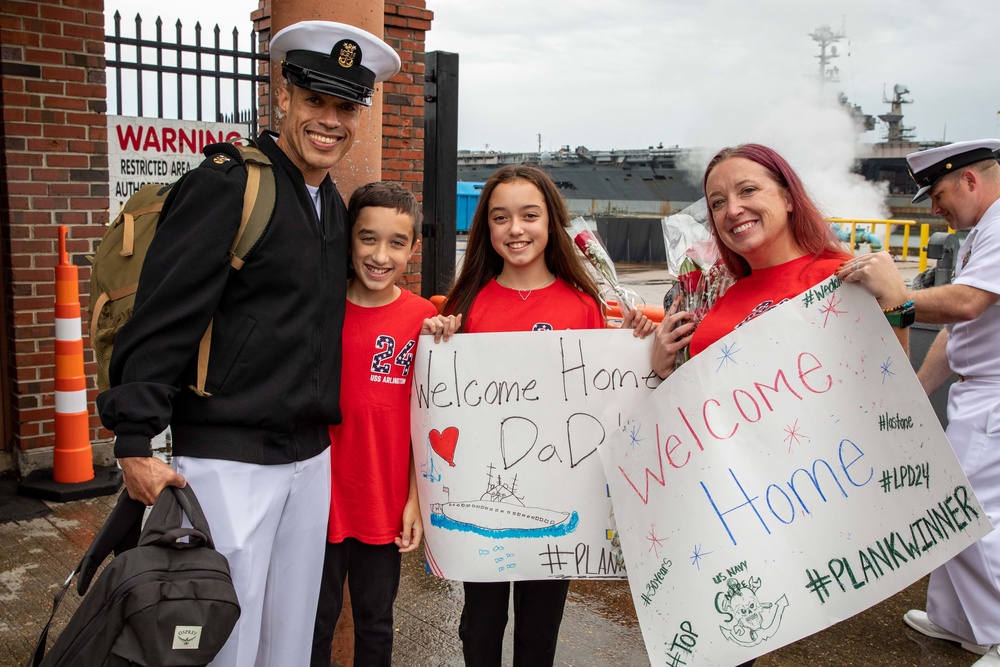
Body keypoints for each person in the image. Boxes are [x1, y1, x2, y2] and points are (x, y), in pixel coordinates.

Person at [97, 21, 400, 667]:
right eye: (316, 99)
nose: (330, 120)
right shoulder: (230, 182)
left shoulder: (332, 205)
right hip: (229, 460)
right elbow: (163, 314)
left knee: (287, 642)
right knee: (222, 642)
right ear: (283, 95)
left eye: (346, 106)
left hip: (308, 459)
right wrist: (134, 441)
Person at [651, 143, 912, 667]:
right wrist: (662, 367)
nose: (732, 210)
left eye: (748, 190)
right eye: (718, 201)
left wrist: (897, 305)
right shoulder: (725, 298)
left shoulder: (839, 275)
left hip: (802, 508)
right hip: (723, 513)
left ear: (789, 197)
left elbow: (891, 391)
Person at [441, 164, 653, 667]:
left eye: (529, 215)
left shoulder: (583, 306)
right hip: (484, 499)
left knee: (540, 634)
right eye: (500, 217)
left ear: (550, 221)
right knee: (480, 629)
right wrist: (437, 335)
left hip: (558, 499)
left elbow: (605, 401)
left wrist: (639, 348)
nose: (516, 229)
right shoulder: (468, 304)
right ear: (485, 229)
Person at [846, 139, 1000, 666]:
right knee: (950, 508)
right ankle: (958, 619)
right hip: (975, 390)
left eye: (937, 194)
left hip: (994, 396)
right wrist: (914, 391)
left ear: (971, 180)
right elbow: (961, 329)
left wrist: (896, 298)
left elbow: (965, 301)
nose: (934, 209)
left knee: (974, 515)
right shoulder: (982, 231)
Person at [310, 182, 459, 667]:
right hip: (317, 499)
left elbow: (433, 421)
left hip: (384, 501)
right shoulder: (320, 309)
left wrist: (415, 501)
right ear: (348, 240)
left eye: (396, 242)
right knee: (315, 620)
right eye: (367, 238)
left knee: (376, 622)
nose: (380, 255)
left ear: (414, 248)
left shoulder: (423, 318)